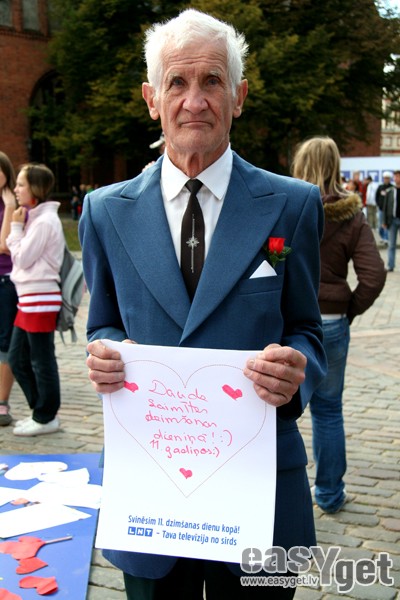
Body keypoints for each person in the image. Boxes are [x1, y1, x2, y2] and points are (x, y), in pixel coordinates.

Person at [79, 9, 327, 599]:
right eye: (177, 82)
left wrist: (298, 370)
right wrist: (105, 354)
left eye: (212, 80)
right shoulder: (105, 211)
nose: (195, 101)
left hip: (260, 491)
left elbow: (308, 333)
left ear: (238, 96)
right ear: (152, 99)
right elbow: (103, 325)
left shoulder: (292, 205)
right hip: (151, 498)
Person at [292, 136, 386, 514]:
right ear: (336, 166)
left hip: (289, 325)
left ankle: (275, 493)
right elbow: (374, 275)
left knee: (276, 411)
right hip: (331, 323)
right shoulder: (351, 215)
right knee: (328, 410)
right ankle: (330, 493)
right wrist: (347, 311)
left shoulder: (287, 206)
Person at [6, 163, 64, 436]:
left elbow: (21, 258)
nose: (16, 189)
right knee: (18, 359)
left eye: (21, 185)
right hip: (29, 298)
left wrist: (16, 228)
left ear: (36, 189)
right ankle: (40, 412)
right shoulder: (37, 217)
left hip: (41, 298)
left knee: (41, 361)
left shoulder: (44, 221)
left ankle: (46, 416)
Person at [0, 151, 18, 426]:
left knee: (5, 343)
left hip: (8, 280)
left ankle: (2, 402)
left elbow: (4, 245)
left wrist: (10, 205)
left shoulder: (15, 203)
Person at [382, 169, 400, 272]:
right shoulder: (390, 191)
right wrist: (384, 221)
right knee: (391, 244)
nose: (397, 178)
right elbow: (385, 207)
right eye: (395, 176)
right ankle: (390, 265)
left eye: (398, 176)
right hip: (392, 221)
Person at [376, 171, 393, 245]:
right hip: (381, 209)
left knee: (387, 224)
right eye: (385, 178)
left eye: (387, 178)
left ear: (390, 179)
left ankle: (386, 238)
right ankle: (382, 237)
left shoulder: (392, 188)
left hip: (389, 210)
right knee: (380, 225)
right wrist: (379, 204)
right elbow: (377, 197)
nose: (386, 179)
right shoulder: (380, 187)